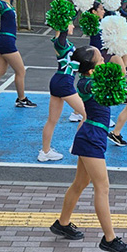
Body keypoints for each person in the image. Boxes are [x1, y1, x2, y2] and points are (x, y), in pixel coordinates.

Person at [51, 46, 127, 252]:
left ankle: (62, 223)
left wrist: (118, 52)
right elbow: (118, 82)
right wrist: (117, 58)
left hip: (91, 135)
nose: (104, 60)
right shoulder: (87, 84)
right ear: (91, 70)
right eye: (100, 60)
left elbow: (119, 82)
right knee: (102, 187)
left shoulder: (92, 79)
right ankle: (109, 239)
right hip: (91, 137)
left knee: (80, 183)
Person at [38, 19, 87, 162]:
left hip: (58, 82)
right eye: (70, 23)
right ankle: (77, 146)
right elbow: (62, 34)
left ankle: (45, 152)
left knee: (52, 120)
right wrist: (63, 22)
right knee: (88, 115)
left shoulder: (65, 43)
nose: (73, 26)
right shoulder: (60, 42)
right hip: (64, 84)